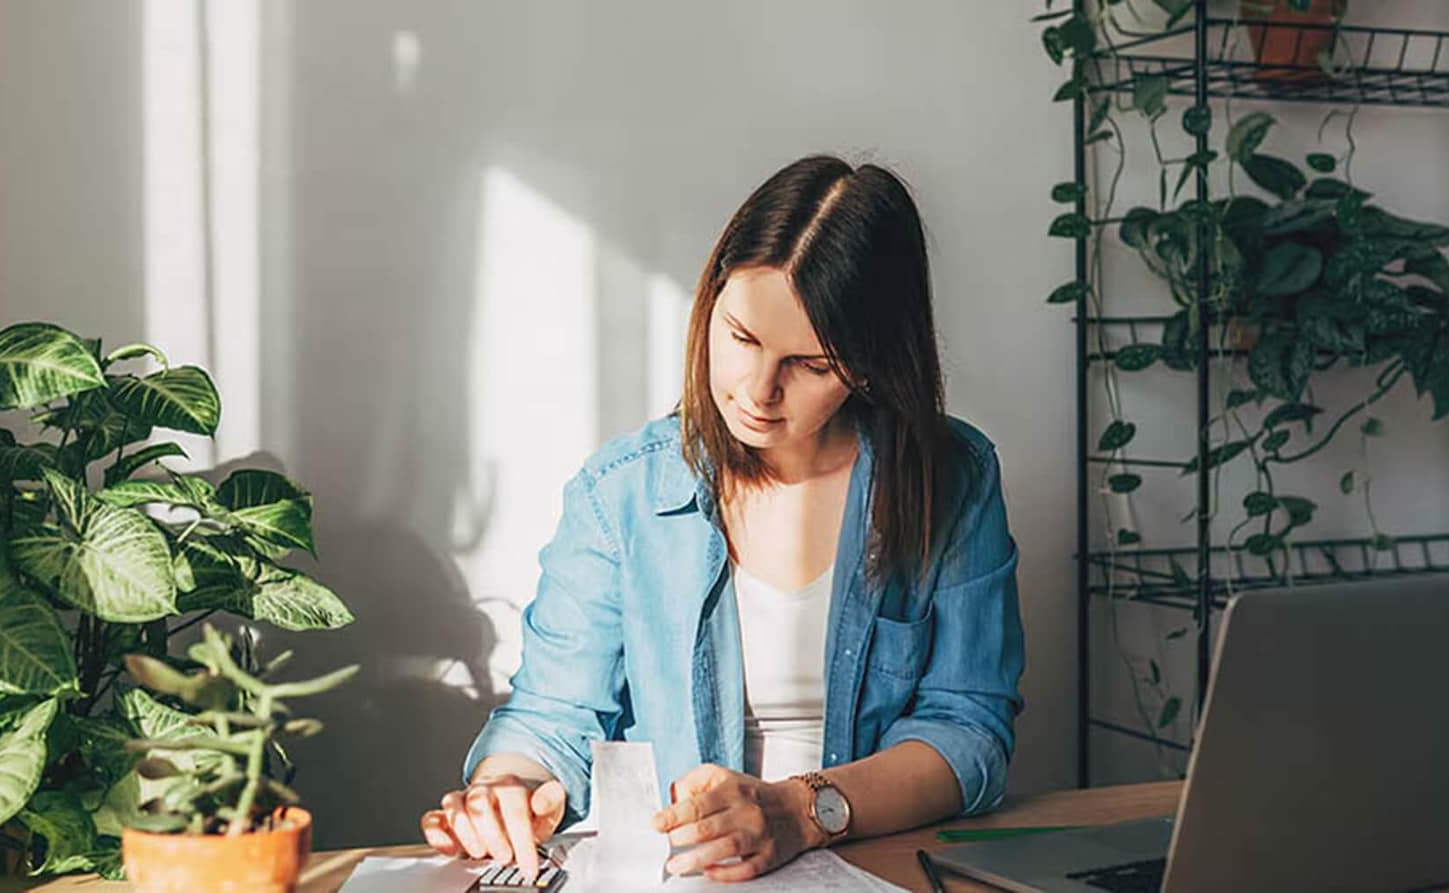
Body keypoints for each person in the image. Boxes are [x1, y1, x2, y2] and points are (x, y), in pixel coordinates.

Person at [419, 154, 1024, 882]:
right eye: (741, 338)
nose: (759, 390)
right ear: (710, 301)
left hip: (873, 864)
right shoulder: (622, 494)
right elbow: (552, 714)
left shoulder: (950, 478)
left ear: (868, 364)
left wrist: (801, 811)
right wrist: (505, 789)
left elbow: (968, 728)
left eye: (810, 364)